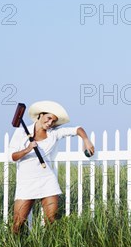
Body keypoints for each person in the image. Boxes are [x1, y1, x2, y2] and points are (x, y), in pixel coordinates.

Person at [8, 100, 95, 234]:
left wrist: (86, 140)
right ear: (40, 115)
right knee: (18, 224)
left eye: (53, 121)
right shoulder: (21, 133)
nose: (50, 123)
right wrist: (27, 149)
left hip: (47, 179)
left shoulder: (54, 133)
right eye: (48, 118)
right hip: (27, 181)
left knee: (51, 220)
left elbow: (77, 129)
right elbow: (12, 157)